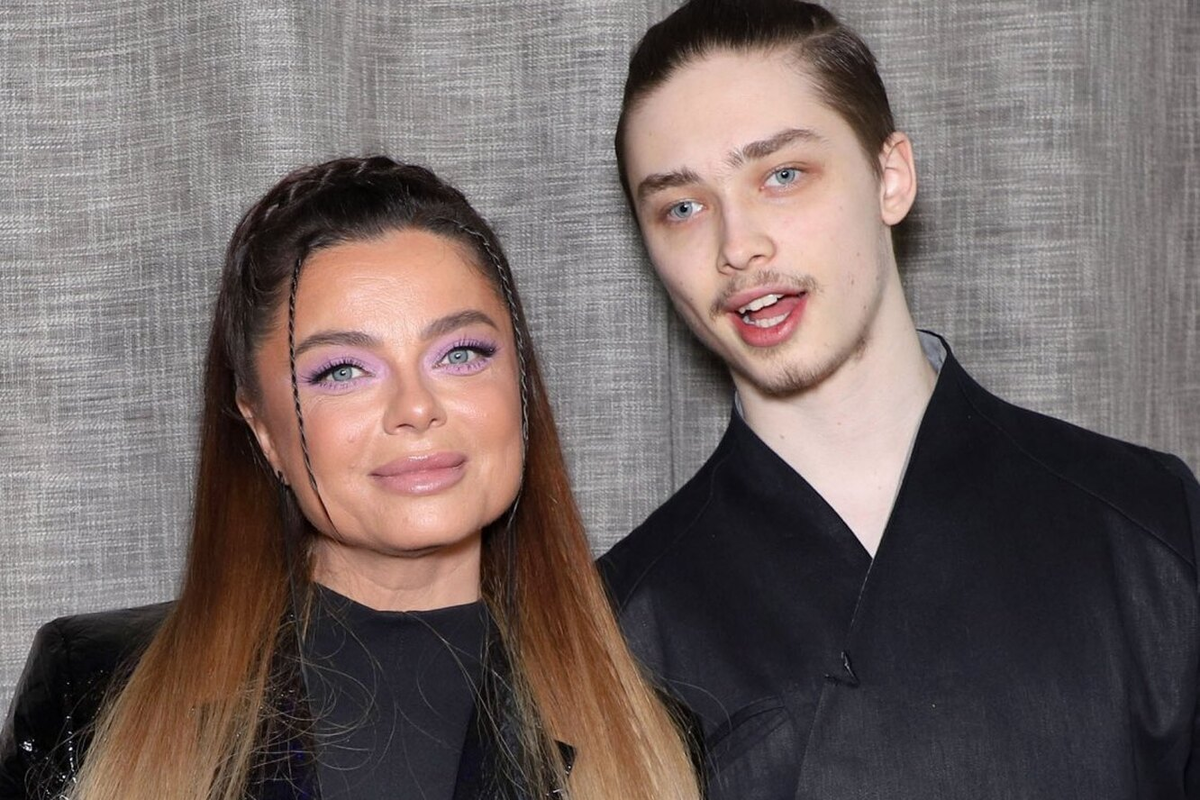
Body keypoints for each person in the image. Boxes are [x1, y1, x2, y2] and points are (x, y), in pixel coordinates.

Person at [598, 1, 1200, 798]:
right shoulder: (614, 627)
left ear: (891, 178)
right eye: (682, 207)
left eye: (782, 175)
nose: (736, 245)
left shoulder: (1148, 526)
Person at [0, 156, 700, 800]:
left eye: (461, 353)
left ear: (520, 385)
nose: (416, 408)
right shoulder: (92, 693)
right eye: (342, 371)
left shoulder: (657, 742)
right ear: (262, 427)